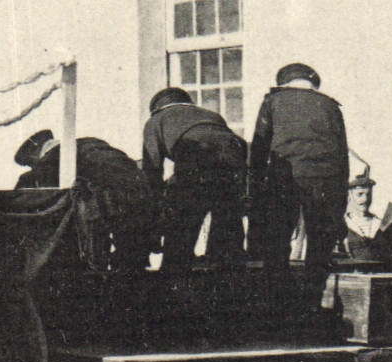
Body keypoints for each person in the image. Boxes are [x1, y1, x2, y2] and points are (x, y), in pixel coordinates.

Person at [249, 63, 349, 314]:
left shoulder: (273, 101)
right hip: (325, 182)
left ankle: (278, 307)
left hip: (285, 180)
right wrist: (340, 201)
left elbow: (259, 148)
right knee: (319, 247)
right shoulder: (329, 105)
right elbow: (342, 156)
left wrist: (255, 185)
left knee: (278, 243)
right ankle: (311, 307)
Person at [14, 130, 154, 275]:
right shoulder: (90, 142)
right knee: (131, 258)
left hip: (108, 203)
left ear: (37, 153)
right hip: (142, 192)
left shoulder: (53, 158)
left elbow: (39, 195)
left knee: (93, 254)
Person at [141, 88, 248, 271]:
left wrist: (156, 204)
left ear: (157, 107)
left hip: (196, 160)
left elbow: (152, 169)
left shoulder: (156, 121)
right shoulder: (210, 115)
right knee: (227, 219)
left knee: (183, 223)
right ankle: (227, 272)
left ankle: (174, 274)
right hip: (235, 158)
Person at [341, 172, 383, 261]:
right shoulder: (342, 225)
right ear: (350, 196)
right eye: (360, 194)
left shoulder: (381, 224)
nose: (365, 199)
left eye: (368, 195)